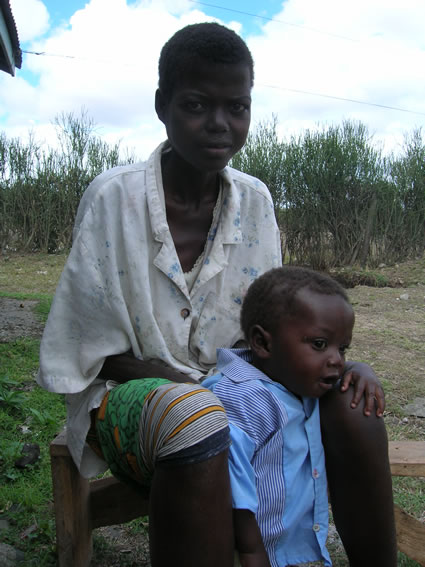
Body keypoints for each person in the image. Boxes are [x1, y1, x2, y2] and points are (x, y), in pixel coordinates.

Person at [37, 22, 396, 567]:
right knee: (197, 414)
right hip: (127, 396)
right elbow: (83, 345)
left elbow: (278, 320)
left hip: (242, 388)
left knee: (353, 404)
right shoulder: (115, 198)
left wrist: (345, 363)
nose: (220, 125)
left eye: (238, 107)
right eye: (198, 105)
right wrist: (171, 379)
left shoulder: (255, 200)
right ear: (163, 105)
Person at [204, 266, 355, 567]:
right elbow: (229, 481)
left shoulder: (294, 380)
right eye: (320, 344)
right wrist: (249, 550)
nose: (337, 360)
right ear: (263, 343)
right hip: (240, 551)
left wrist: (359, 370)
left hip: (277, 550)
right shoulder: (243, 398)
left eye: (343, 348)